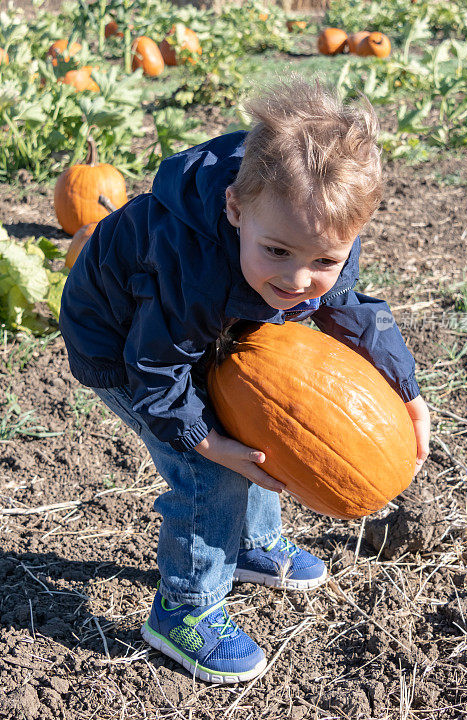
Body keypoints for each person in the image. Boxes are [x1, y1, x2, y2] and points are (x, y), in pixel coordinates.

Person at [59, 77, 431, 684]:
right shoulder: (194, 264)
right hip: (122, 341)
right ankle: (184, 609)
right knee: (211, 471)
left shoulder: (315, 223)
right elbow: (154, 368)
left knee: (266, 422)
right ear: (234, 209)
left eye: (324, 260)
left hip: (199, 330)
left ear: (351, 234)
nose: (299, 279)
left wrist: (405, 391)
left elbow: (348, 307)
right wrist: (207, 442)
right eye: (278, 252)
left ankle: (254, 545)